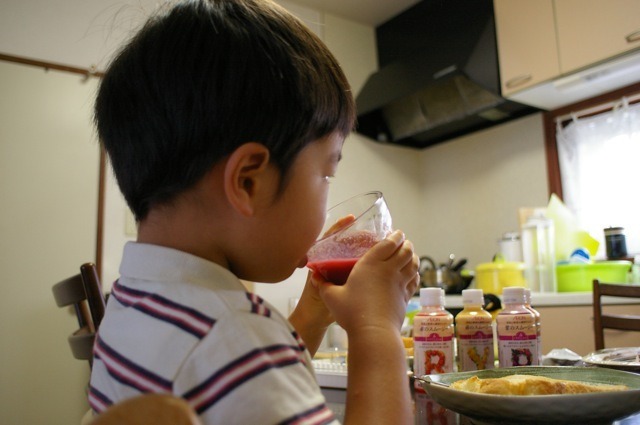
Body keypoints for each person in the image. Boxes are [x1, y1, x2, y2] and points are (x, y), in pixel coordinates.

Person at [88, 0, 419, 424]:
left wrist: (310, 318)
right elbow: (244, 357)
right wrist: (377, 330)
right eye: (326, 173)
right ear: (248, 181)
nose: (327, 187)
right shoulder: (233, 333)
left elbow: (247, 386)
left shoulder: (134, 300)